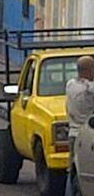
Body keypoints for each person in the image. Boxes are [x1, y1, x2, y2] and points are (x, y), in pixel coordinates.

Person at [65, 56, 94, 196]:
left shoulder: (70, 84)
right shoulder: (89, 89)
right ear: (90, 69)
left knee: (73, 171)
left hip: (73, 133)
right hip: (86, 137)